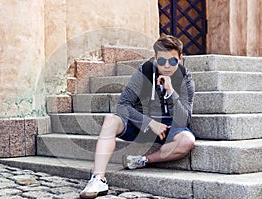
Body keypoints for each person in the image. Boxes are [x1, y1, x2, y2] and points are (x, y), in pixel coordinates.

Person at [80, 34, 196, 199]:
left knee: (187, 141)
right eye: (162, 61)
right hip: (142, 125)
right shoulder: (145, 72)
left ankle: (142, 160)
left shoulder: (186, 79)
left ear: (180, 58)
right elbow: (122, 105)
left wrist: (171, 92)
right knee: (110, 120)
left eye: (173, 61)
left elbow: (185, 119)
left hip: (171, 128)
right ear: (156, 58)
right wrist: (149, 123)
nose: (167, 66)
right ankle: (98, 178)